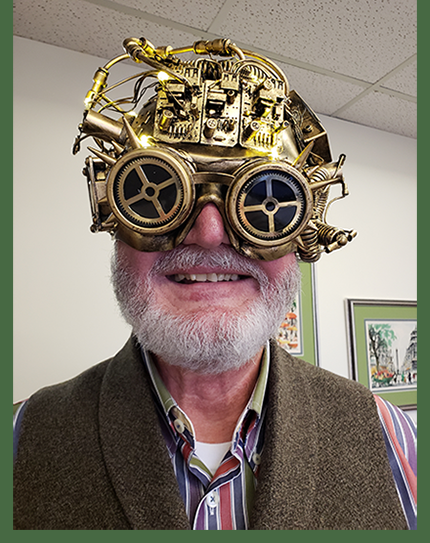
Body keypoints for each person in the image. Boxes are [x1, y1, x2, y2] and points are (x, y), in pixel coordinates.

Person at [13, 35, 417, 530]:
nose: (208, 233)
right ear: (112, 217)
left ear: (302, 232)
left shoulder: (391, 439)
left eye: (262, 195)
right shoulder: (21, 439)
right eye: (158, 194)